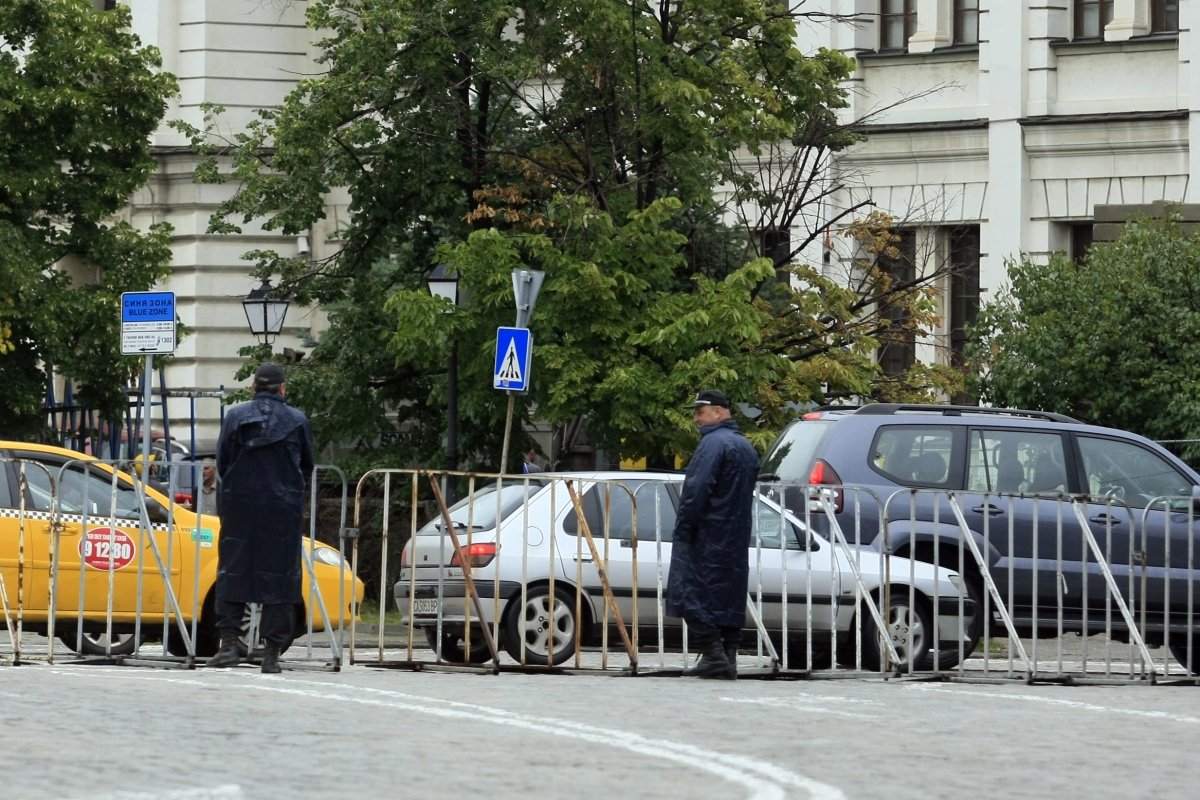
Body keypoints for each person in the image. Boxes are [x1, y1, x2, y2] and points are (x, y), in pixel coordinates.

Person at [207, 362, 314, 674]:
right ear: (283, 389)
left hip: (241, 504)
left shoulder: (235, 416)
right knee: (281, 578)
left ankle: (228, 645)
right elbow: (306, 466)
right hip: (283, 510)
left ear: (253, 387)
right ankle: (271, 654)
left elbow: (223, 461)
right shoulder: (297, 420)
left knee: (232, 571)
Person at [665, 390, 760, 680]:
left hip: (705, 535)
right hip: (735, 536)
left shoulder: (712, 444)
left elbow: (696, 491)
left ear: (718, 412)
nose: (695, 418)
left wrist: (683, 529)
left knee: (687, 593)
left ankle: (715, 655)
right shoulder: (746, 447)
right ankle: (727, 658)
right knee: (728, 598)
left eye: (700, 412)